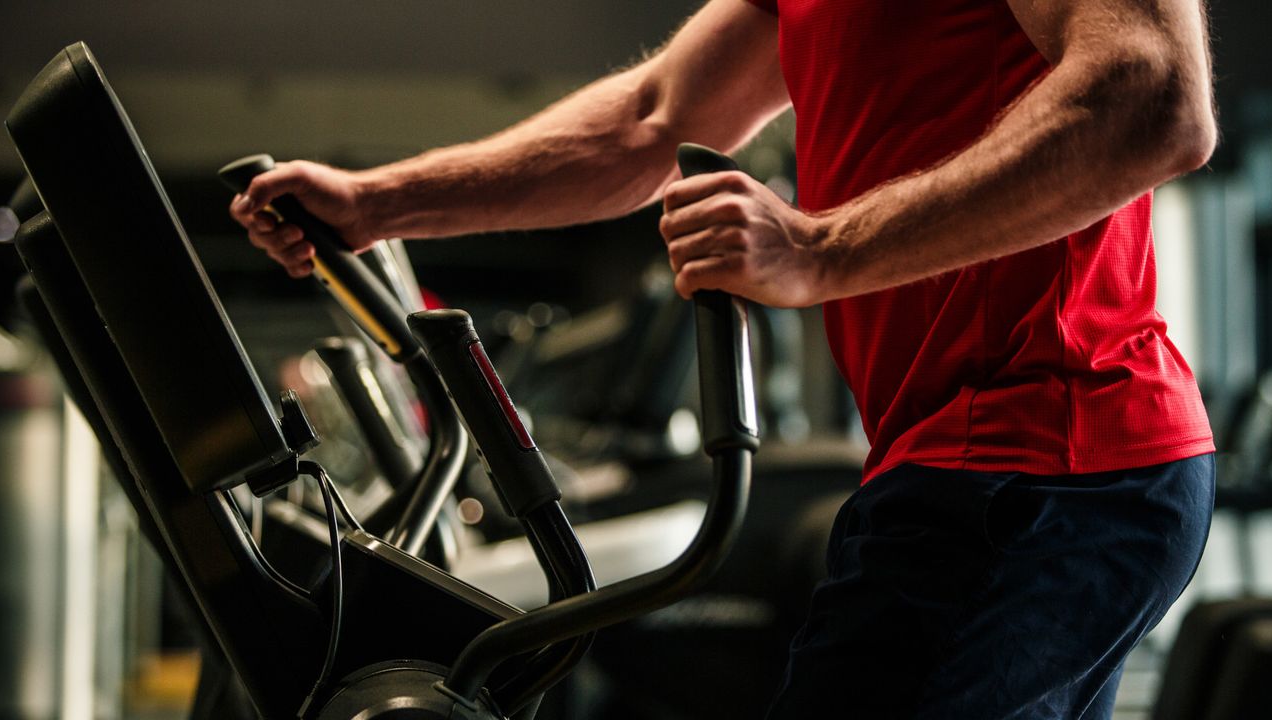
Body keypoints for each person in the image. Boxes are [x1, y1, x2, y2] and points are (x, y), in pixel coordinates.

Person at [230, 0, 1218, 717]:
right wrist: (376, 205)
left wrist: (817, 250)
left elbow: (1155, 95)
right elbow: (648, 123)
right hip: (964, 461)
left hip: (1052, 451)